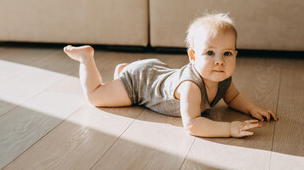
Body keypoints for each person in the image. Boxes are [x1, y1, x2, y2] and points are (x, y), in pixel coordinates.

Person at [63, 13, 278, 138]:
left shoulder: (222, 76)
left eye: (227, 53)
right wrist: (229, 128)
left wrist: (252, 108)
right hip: (140, 84)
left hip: (155, 71)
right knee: (95, 97)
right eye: (210, 53)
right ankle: (86, 58)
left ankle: (124, 70)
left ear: (235, 54)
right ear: (192, 56)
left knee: (142, 74)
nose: (219, 61)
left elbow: (233, 97)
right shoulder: (191, 87)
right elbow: (192, 124)